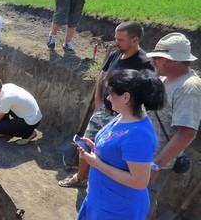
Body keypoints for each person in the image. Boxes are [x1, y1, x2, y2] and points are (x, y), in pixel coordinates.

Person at [59, 21, 154, 187]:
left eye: (120, 40)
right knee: (85, 147)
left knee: (108, 155)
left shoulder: (144, 64)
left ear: (135, 40)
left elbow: (144, 96)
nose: (115, 43)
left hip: (123, 120)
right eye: (115, 38)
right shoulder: (115, 55)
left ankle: (99, 183)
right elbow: (102, 78)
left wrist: (125, 114)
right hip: (104, 112)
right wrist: (98, 100)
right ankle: (81, 177)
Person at [77, 69, 165, 220]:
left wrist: (96, 164)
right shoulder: (123, 116)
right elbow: (116, 151)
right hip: (101, 200)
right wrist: (96, 148)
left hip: (117, 210)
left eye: (111, 94)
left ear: (126, 97)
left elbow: (139, 182)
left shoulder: (139, 135)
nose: (108, 98)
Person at [146, 33, 201, 219]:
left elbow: (187, 132)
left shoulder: (189, 88)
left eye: (157, 58)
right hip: (144, 154)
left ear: (174, 60)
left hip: (155, 160)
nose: (153, 61)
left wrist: (156, 165)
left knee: (144, 200)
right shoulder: (164, 79)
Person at [0, 76, 42, 145]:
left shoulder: (6, 97)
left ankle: (29, 134)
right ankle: (7, 132)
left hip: (31, 121)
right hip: (31, 115)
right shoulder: (5, 87)